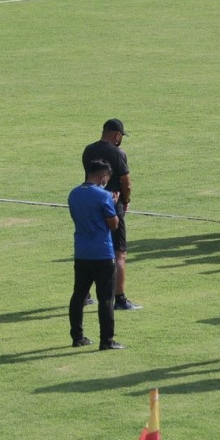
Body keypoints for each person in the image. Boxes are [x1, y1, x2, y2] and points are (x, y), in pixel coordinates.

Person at [83, 119, 140, 310]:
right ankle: (121, 298)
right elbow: (127, 183)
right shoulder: (117, 153)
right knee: (119, 253)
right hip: (113, 207)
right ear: (117, 135)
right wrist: (126, 200)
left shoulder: (88, 150)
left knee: (92, 250)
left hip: (90, 204)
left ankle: (85, 294)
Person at [68, 159, 124, 350]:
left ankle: (77, 337)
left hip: (82, 251)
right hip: (102, 252)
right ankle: (106, 341)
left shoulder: (74, 194)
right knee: (106, 298)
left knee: (79, 296)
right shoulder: (103, 195)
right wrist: (113, 203)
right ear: (102, 176)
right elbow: (113, 224)